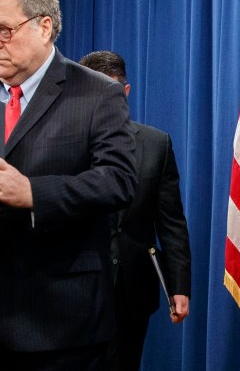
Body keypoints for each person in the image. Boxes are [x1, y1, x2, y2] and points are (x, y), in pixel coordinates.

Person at [0, 0, 137, 369]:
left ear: (44, 26)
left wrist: (34, 193)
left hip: (60, 318)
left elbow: (118, 181)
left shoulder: (97, 92)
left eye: (3, 29)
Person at [79, 50, 191, 371]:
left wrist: (179, 285)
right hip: (79, 288)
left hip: (132, 291)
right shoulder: (66, 142)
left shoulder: (157, 144)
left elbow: (172, 223)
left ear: (125, 92)